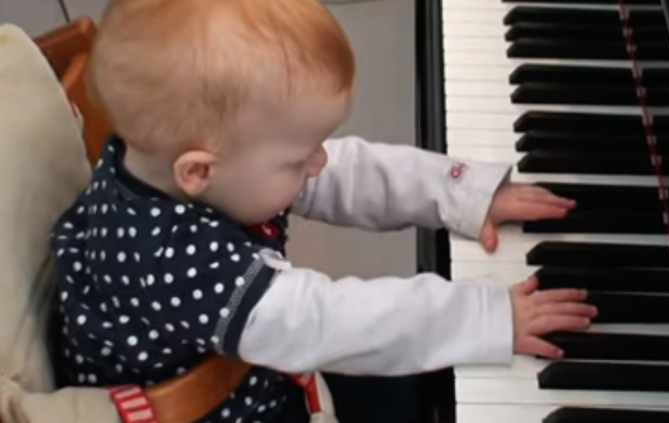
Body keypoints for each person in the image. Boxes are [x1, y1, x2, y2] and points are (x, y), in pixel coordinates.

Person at [49, 0, 597, 422]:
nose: (317, 163)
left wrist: (460, 193)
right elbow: (332, 322)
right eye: (296, 157)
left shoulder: (175, 160)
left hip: (251, 365)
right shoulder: (174, 263)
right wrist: (488, 316)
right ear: (198, 170)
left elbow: (342, 171)